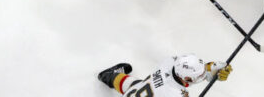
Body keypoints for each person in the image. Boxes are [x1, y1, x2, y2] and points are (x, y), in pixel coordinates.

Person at [97, 54, 232, 96]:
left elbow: (190, 71)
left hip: (134, 92)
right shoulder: (176, 94)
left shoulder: (171, 61)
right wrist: (210, 75)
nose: (204, 74)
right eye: (200, 74)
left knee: (136, 85)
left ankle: (107, 75)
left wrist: (211, 69)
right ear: (186, 78)